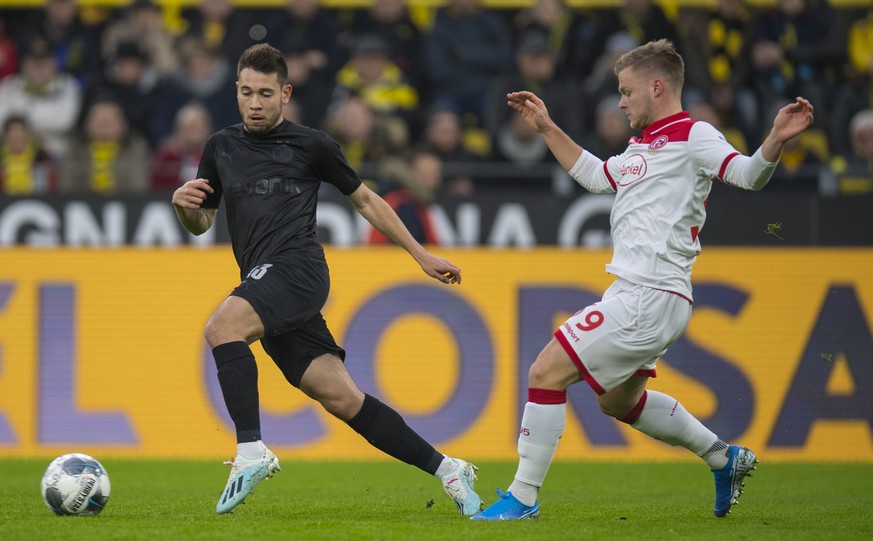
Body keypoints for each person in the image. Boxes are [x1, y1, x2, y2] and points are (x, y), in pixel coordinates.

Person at [472, 39, 814, 521]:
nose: (620, 101)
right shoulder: (640, 146)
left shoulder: (694, 135)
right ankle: (723, 457)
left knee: (545, 372)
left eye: (626, 90)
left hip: (650, 295)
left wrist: (775, 139)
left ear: (657, 86)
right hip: (644, 295)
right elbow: (595, 175)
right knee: (618, 401)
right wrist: (547, 127)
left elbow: (747, 175)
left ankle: (522, 497)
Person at [170, 43, 482, 516]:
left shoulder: (311, 144)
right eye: (247, 93)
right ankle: (448, 469)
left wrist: (419, 254)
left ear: (285, 94)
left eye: (266, 94)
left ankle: (251, 452)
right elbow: (203, 223)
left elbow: (368, 201)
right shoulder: (220, 147)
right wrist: (183, 208)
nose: (255, 103)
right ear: (236, 91)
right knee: (342, 398)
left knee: (221, 328)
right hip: (264, 281)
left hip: (298, 270)